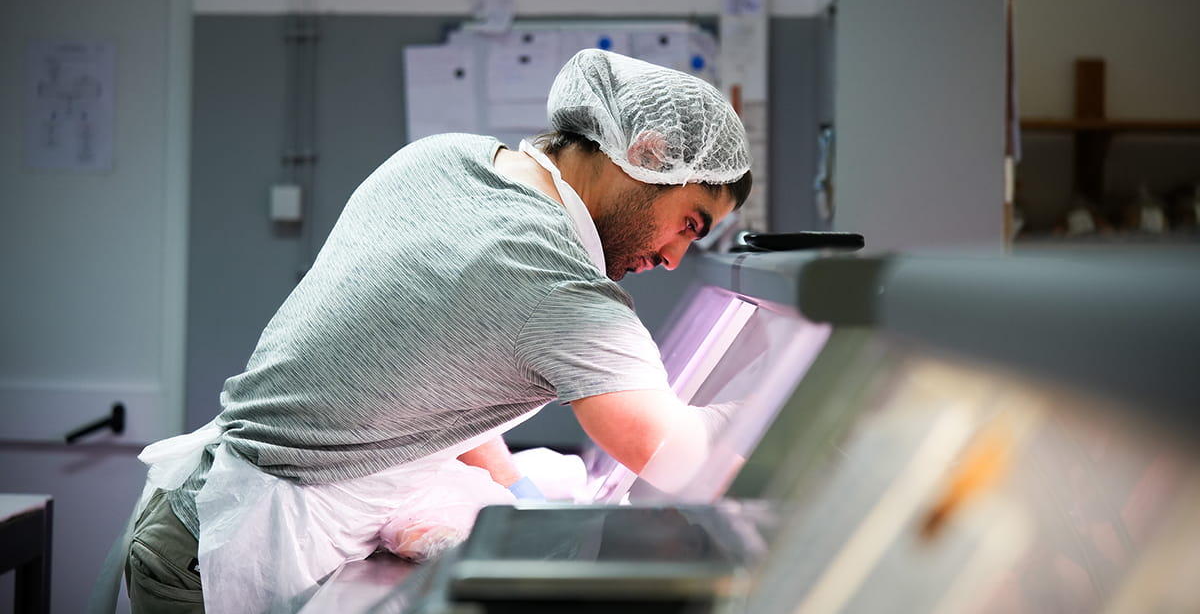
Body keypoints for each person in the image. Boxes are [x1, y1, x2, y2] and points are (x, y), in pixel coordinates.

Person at [114, 48, 753, 613]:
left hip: (195, 504)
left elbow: (427, 369)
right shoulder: (553, 277)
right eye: (690, 222)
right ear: (648, 155)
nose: (672, 258)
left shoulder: (445, 158)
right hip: (230, 553)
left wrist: (511, 486)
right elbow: (669, 452)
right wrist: (789, 420)